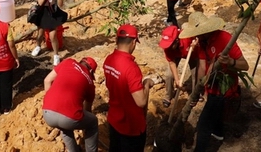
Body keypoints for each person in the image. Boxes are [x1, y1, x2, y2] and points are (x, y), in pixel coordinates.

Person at [181, 16, 249, 151]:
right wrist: (197, 91)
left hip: (224, 89)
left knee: (203, 125)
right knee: (215, 113)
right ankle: (218, 134)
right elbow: (201, 67)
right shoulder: (202, 42)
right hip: (211, 88)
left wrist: (230, 62)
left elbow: (245, 65)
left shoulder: (225, 39)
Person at [103, 24, 154, 152]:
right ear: (133, 42)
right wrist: (146, 84)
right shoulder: (131, 68)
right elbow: (141, 101)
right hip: (131, 127)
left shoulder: (109, 60)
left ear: (116, 40)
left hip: (114, 121)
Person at [42, 57, 99, 152]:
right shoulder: (89, 82)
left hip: (47, 112)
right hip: (68, 118)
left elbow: (47, 81)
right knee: (92, 122)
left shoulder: (68, 62)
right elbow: (87, 110)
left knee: (64, 126)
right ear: (91, 70)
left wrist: (48, 101)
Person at [158, 22, 201, 108]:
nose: (168, 47)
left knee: (195, 74)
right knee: (169, 75)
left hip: (192, 53)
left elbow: (198, 37)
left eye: (170, 45)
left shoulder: (187, 36)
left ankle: (195, 95)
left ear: (177, 40)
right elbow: (171, 63)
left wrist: (195, 44)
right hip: (176, 54)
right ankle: (168, 96)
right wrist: (177, 80)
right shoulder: (168, 48)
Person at [32, 0, 68, 66]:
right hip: (43, 11)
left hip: (53, 12)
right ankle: (38, 46)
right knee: (40, 34)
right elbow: (40, 2)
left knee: (53, 36)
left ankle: (56, 55)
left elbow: (60, 5)